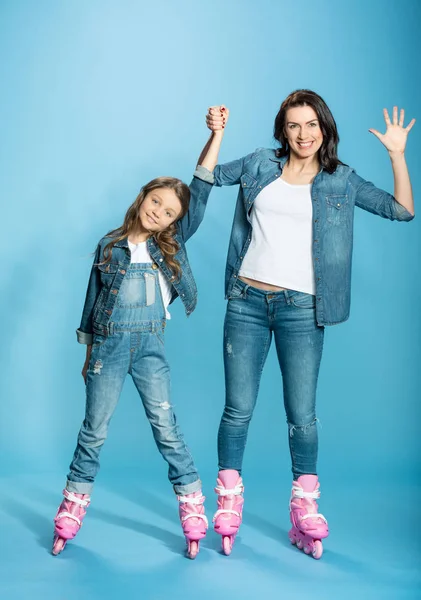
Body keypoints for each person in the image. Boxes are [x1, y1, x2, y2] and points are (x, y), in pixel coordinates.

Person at [202, 90, 415, 558]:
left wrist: (398, 156)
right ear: (283, 130)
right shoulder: (260, 164)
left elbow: (401, 210)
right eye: (294, 126)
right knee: (237, 409)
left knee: (302, 414)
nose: (304, 134)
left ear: (325, 129)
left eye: (312, 125)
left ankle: (304, 506)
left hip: (302, 308)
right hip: (246, 301)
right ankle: (229, 502)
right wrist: (215, 135)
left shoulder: (341, 180)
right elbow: (208, 176)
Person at [52, 106, 230, 559]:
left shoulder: (169, 244)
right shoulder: (109, 246)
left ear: (175, 222)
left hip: (150, 348)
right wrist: (88, 357)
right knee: (94, 430)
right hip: (107, 350)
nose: (160, 213)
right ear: (143, 196)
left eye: (170, 212)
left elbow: (203, 187)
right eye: (157, 202)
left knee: (166, 428)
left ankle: (192, 506)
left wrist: (216, 135)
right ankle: (72, 507)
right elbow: (91, 305)